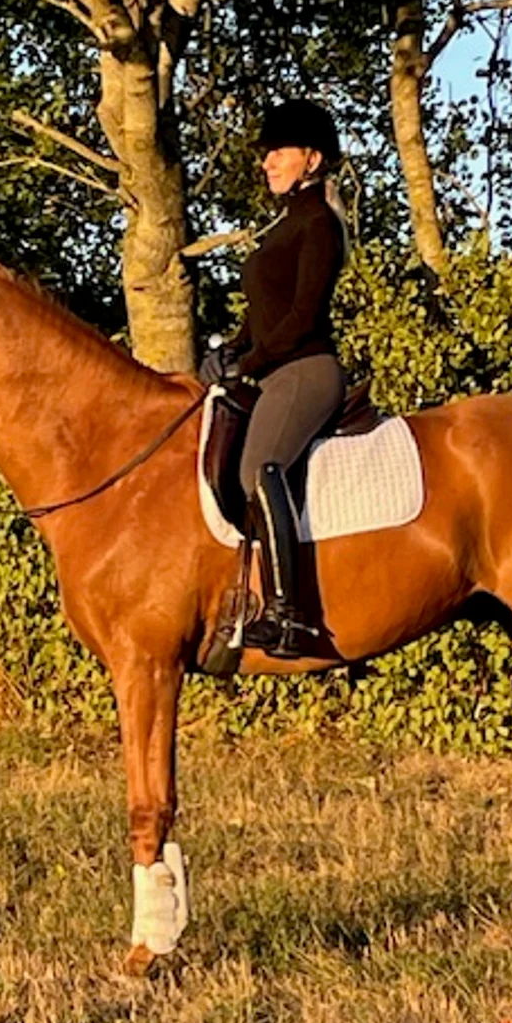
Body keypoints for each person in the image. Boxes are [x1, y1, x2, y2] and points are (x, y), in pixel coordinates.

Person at [200, 98, 348, 658]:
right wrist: (229, 349)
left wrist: (251, 363)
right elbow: (265, 312)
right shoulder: (286, 223)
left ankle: (292, 617)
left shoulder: (318, 224)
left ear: (311, 159)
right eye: (266, 153)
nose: (267, 162)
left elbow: (303, 316)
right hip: (274, 369)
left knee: (257, 469)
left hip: (305, 372)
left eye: (277, 152)